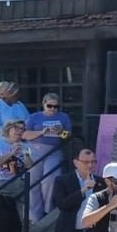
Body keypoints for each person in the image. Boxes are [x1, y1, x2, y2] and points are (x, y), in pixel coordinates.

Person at [22, 93, 71, 223]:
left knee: (50, 180)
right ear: (43, 104)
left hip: (54, 151)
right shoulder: (34, 117)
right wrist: (42, 132)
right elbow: (25, 135)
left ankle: (48, 210)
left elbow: (67, 136)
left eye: (56, 106)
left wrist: (61, 131)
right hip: (35, 149)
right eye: (49, 106)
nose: (53, 109)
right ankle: (34, 218)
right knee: (33, 183)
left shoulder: (63, 117)